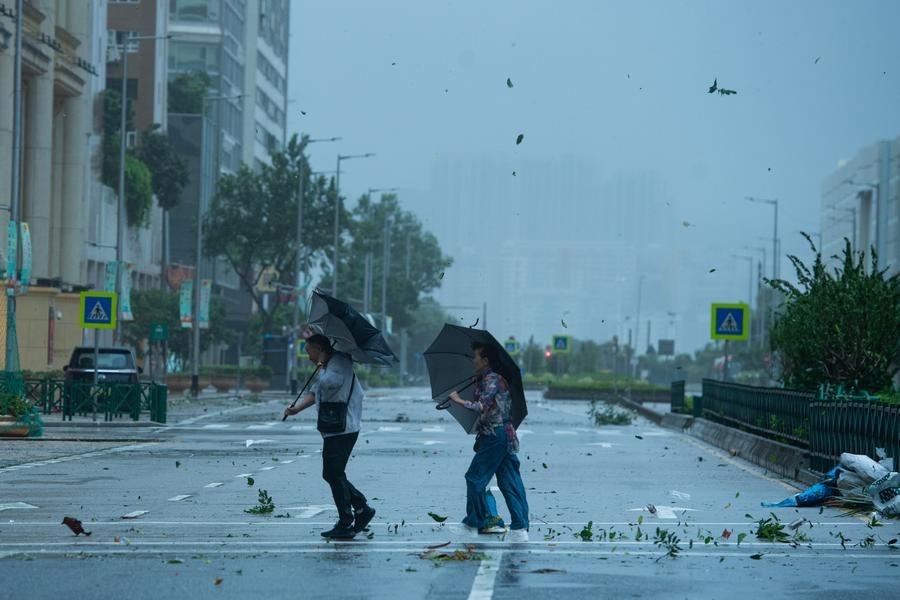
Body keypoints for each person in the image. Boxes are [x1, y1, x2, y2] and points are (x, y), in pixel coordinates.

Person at [283, 334, 375, 540]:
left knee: (333, 473)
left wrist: (322, 366)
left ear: (318, 348)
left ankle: (348, 519)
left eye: (309, 351)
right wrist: (296, 408)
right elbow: (316, 392)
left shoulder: (339, 363)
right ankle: (360, 509)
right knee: (333, 473)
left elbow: (329, 383)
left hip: (344, 428)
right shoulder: (330, 363)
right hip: (335, 428)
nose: (308, 356)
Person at [449, 341, 529, 542]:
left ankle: (473, 523)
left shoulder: (492, 380)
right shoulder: (485, 378)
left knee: (475, 477)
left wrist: (458, 400)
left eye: (475, 356)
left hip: (496, 435)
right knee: (510, 481)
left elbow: (481, 406)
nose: (472, 360)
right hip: (504, 435)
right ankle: (520, 529)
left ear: (485, 360)